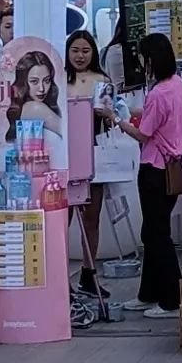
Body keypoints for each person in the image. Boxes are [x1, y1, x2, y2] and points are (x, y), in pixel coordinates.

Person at [114, 34, 182, 319]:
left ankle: (171, 299)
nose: (141, 62)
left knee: (157, 234)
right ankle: (149, 293)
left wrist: (117, 120)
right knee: (153, 231)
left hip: (154, 168)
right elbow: (155, 116)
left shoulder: (157, 93)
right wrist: (130, 111)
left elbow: (144, 133)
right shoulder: (176, 84)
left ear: (152, 59)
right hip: (172, 166)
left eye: (143, 57)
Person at [65, 29, 115, 298]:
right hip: (65, 156)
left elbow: (110, 119)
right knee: (63, 218)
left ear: (93, 53)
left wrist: (107, 113)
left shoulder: (102, 80)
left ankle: (89, 272)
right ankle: (61, 278)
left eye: (85, 51)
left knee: (92, 216)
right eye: (75, 50)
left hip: (95, 154)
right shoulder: (58, 79)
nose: (80, 56)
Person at [5, 50, 66, 168]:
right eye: (34, 82)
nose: (42, 88)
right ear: (23, 82)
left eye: (47, 81)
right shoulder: (34, 108)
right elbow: (69, 134)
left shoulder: (25, 107)